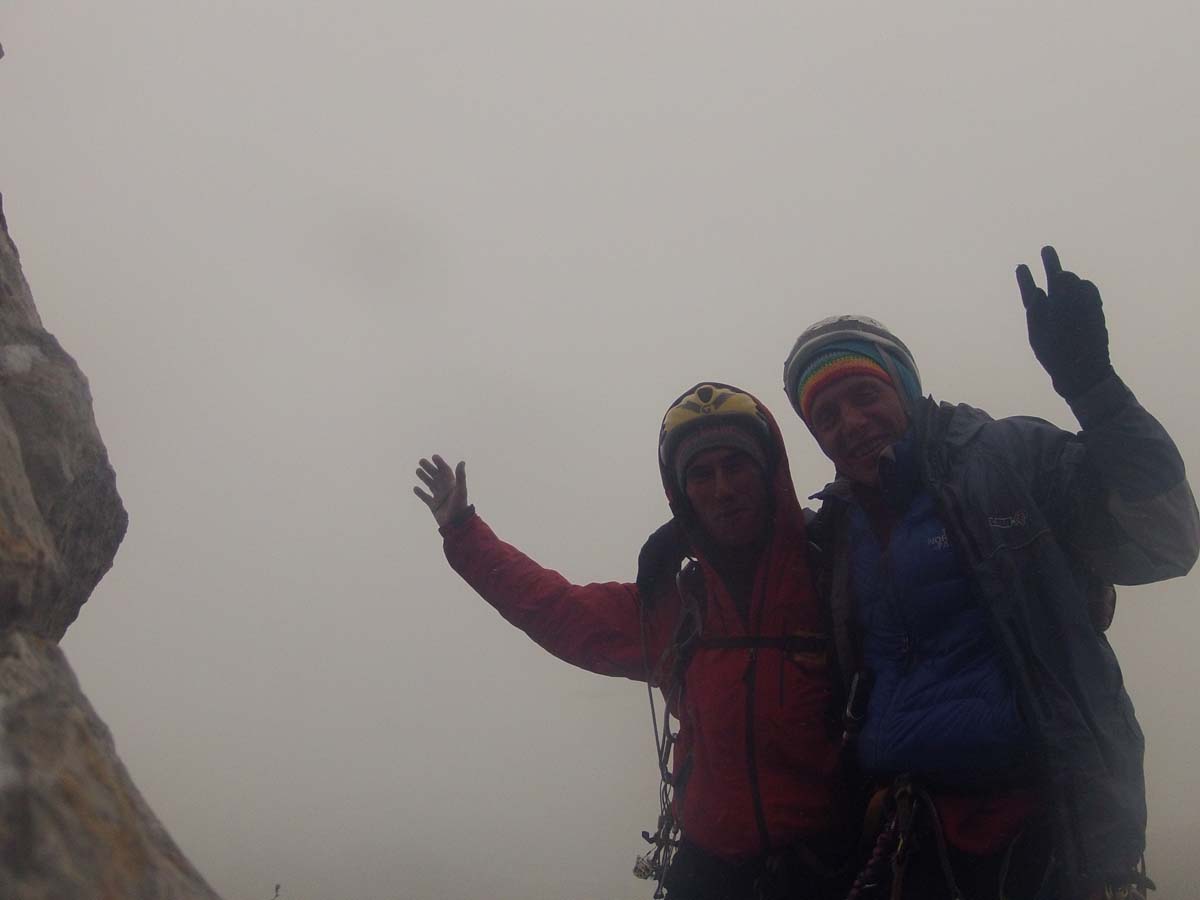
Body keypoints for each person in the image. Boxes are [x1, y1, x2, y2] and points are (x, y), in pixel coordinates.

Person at [775, 246, 1199, 899]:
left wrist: (1096, 391)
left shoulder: (1008, 457)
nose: (850, 424)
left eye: (865, 395)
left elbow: (1167, 540)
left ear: (905, 389)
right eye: (825, 416)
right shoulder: (835, 531)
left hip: (1047, 835)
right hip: (906, 839)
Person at [414, 384, 852, 900]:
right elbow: (558, 609)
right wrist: (462, 531)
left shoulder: (835, 580)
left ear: (768, 472)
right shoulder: (677, 610)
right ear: (682, 495)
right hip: (710, 874)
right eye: (700, 474)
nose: (722, 488)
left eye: (736, 465)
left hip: (830, 869)